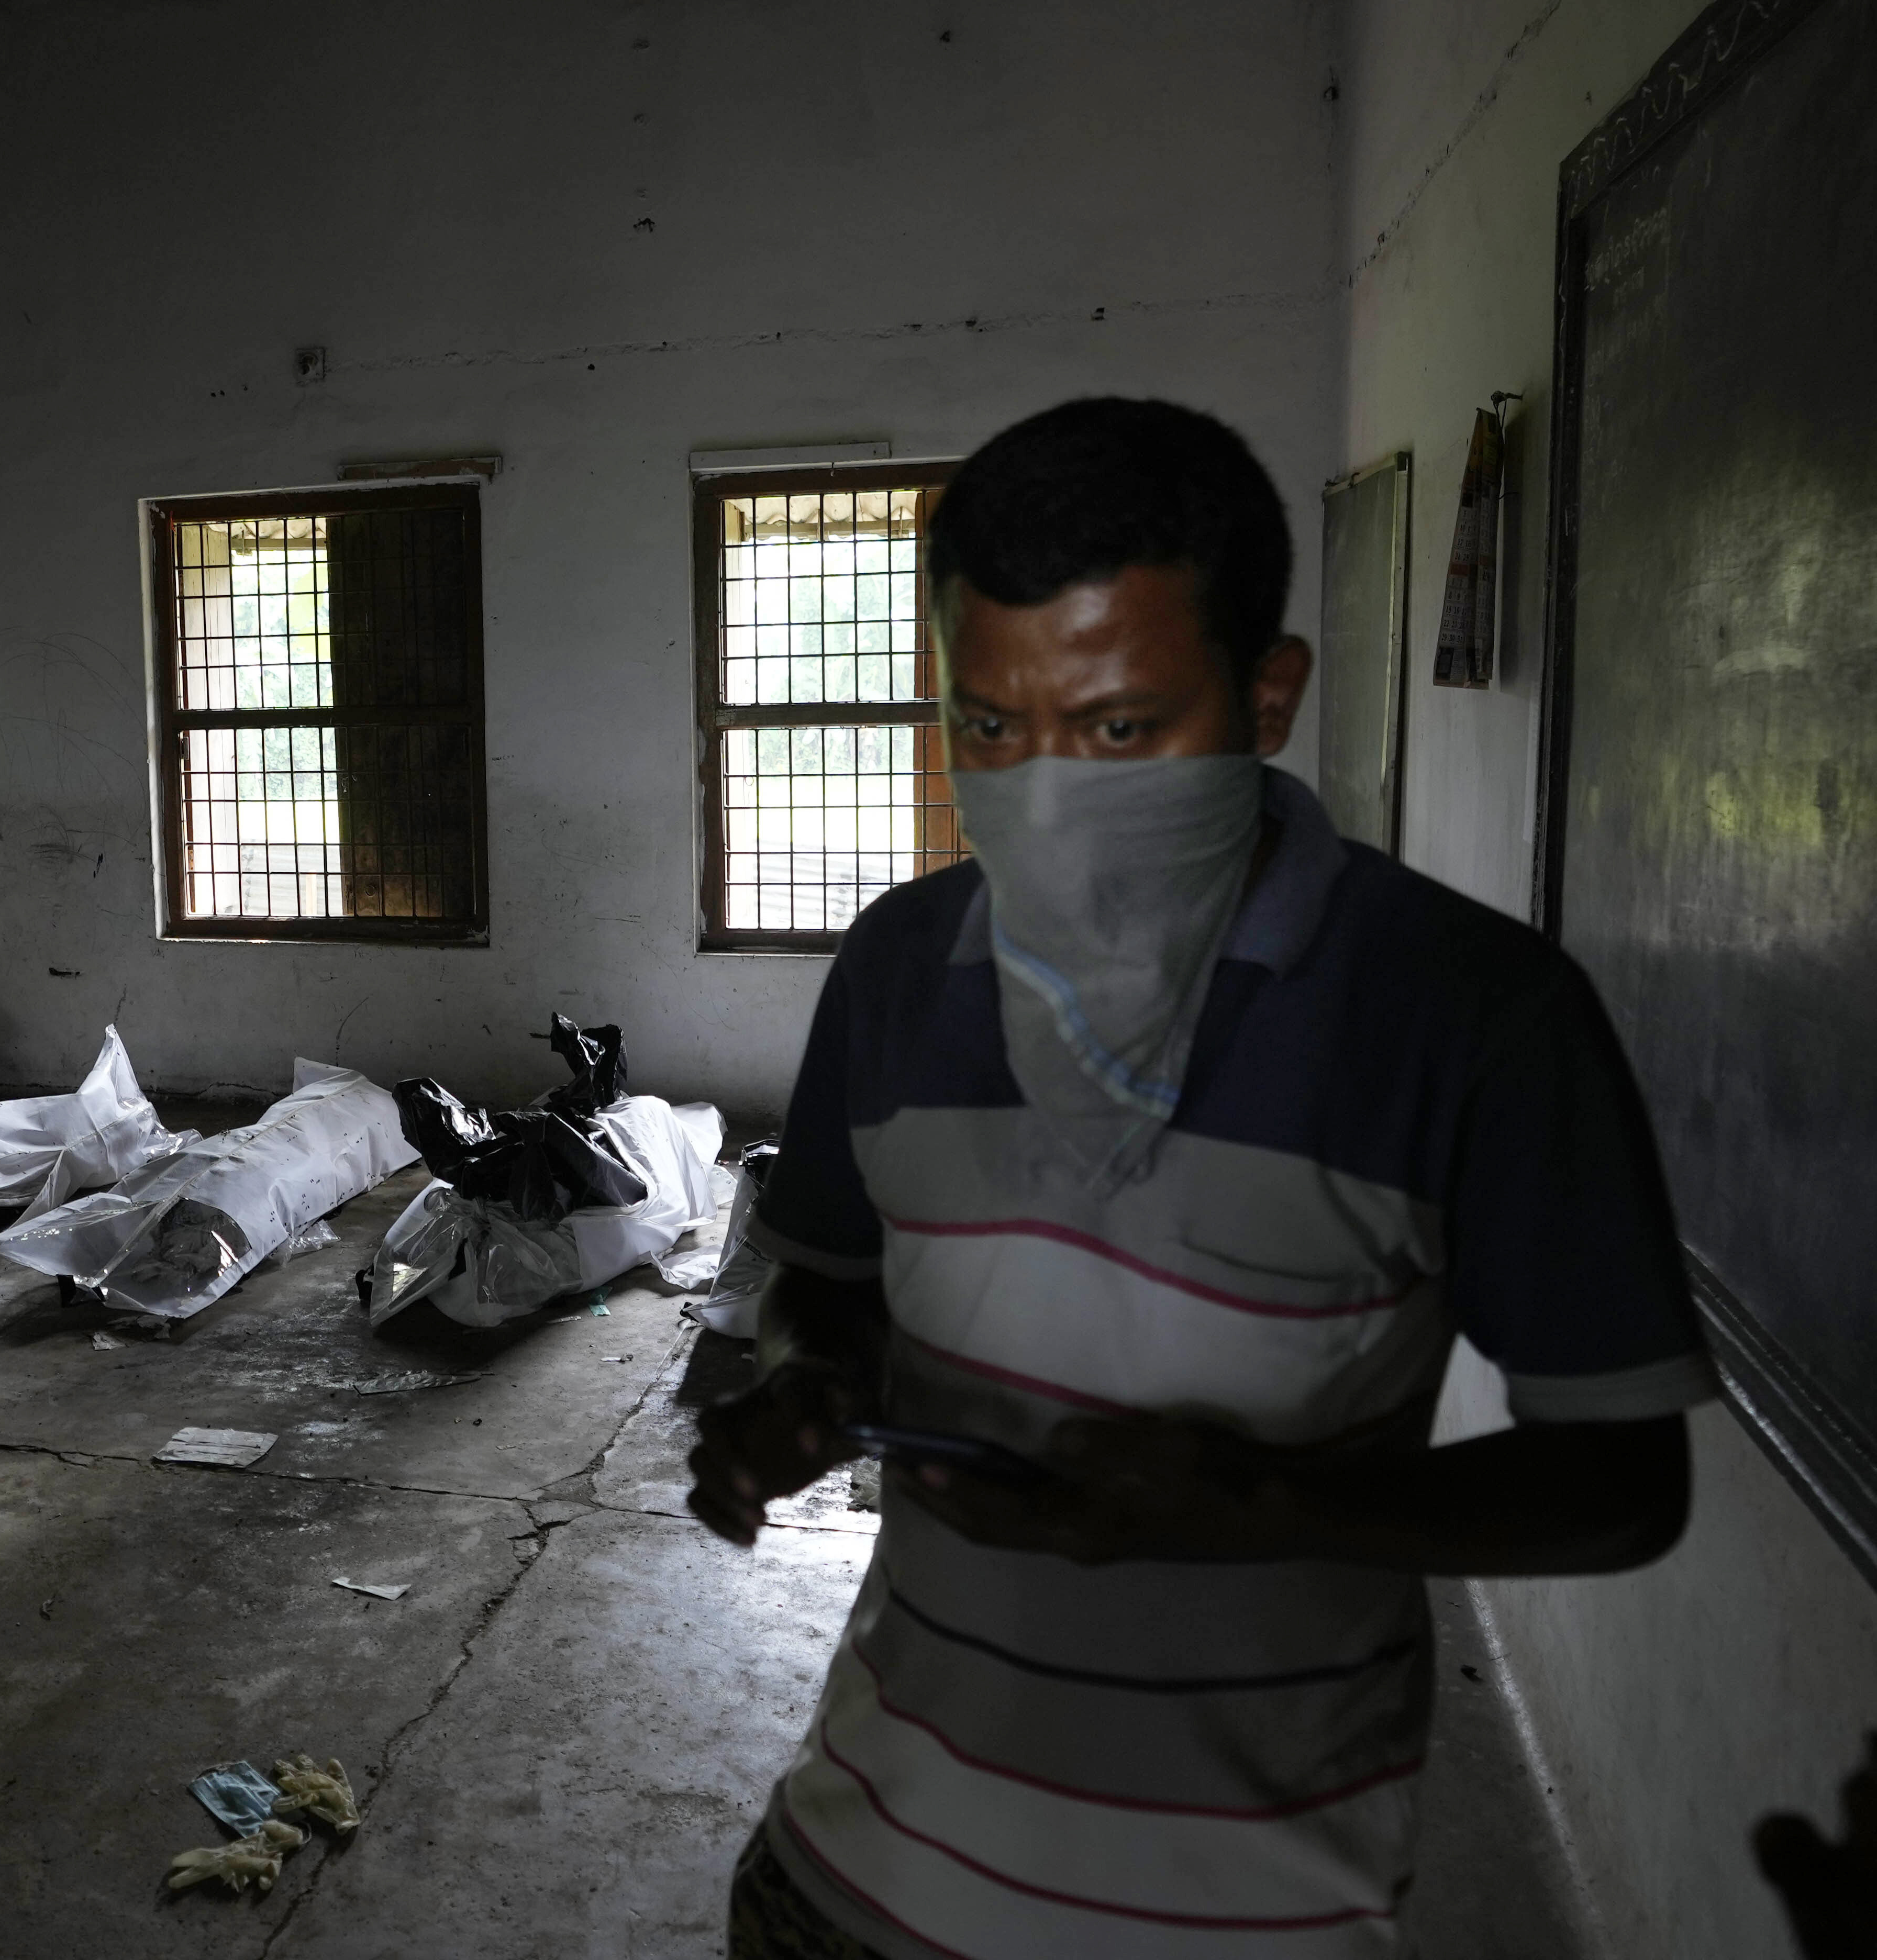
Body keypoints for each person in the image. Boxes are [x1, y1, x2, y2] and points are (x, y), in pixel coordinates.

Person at [689, 397, 1715, 1959]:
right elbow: (821, 1290)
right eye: (990, 729)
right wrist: (801, 1392)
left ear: (1269, 695)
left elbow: (1625, 1488)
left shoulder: (1472, 1016)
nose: (1045, 796)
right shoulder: (902, 970)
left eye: (1118, 729)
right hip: (852, 1886)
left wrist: (1265, 1506)